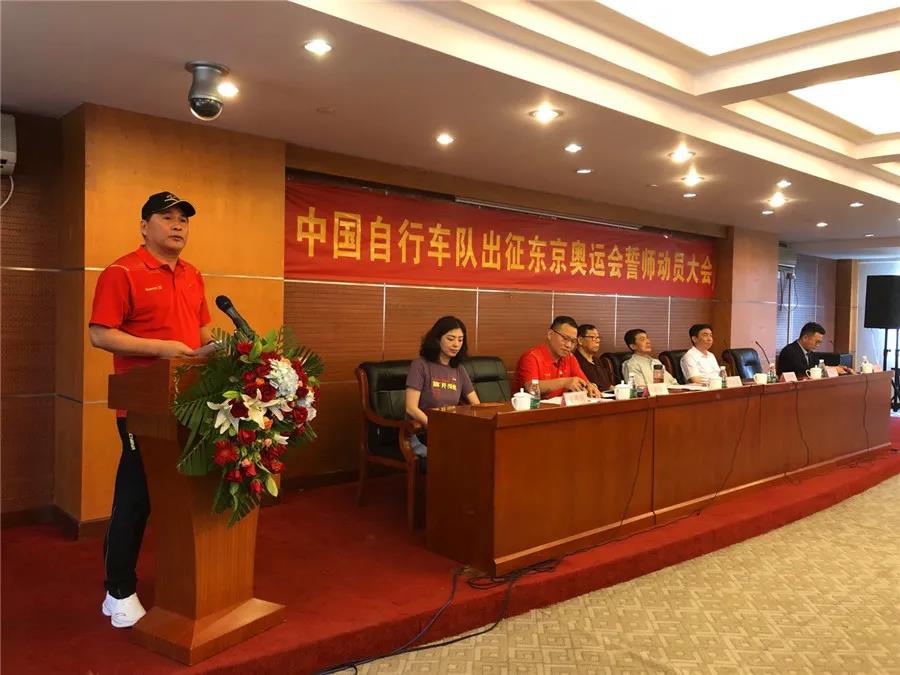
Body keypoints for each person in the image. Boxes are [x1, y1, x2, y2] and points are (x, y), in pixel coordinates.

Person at [88, 192, 213, 628]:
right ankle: (117, 589)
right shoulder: (122, 272)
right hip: (142, 408)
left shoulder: (193, 274)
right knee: (137, 497)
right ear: (144, 226)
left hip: (190, 405)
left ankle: (188, 579)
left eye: (184, 220)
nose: (177, 225)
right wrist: (161, 349)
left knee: (184, 498)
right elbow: (101, 334)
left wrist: (217, 350)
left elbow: (201, 332)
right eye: (167, 217)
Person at [405, 316, 480, 457]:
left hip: (451, 431)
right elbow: (411, 408)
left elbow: (476, 405)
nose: (456, 344)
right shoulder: (420, 365)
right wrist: (436, 427)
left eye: (460, 340)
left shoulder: (459, 369)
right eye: (450, 339)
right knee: (457, 456)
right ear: (437, 339)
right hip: (422, 433)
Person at [513, 316, 601, 399]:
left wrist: (589, 386)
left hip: (559, 408)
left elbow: (584, 381)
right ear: (550, 334)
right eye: (565, 338)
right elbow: (531, 388)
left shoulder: (570, 358)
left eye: (573, 341)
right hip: (533, 408)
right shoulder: (531, 357)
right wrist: (564, 382)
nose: (569, 345)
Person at [777, 321, 851, 377]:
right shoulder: (789, 351)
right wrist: (831, 369)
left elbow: (817, 367)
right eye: (816, 342)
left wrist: (835, 368)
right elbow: (804, 371)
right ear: (805, 338)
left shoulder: (810, 353)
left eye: (819, 342)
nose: (818, 345)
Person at [573, 323, 612, 391]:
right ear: (580, 340)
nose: (598, 341)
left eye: (598, 337)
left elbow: (608, 385)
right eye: (593, 337)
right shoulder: (574, 361)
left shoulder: (598, 361)